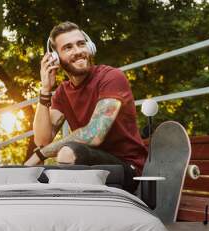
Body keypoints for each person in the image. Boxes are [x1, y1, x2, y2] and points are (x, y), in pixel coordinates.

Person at [24, 21, 147, 193]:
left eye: (81, 44)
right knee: (34, 179)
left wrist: (40, 154)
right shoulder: (62, 93)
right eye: (68, 47)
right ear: (56, 58)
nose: (78, 51)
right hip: (88, 166)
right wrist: (45, 90)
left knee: (68, 152)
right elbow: (42, 140)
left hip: (128, 170)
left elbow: (94, 134)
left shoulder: (111, 77)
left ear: (89, 46)